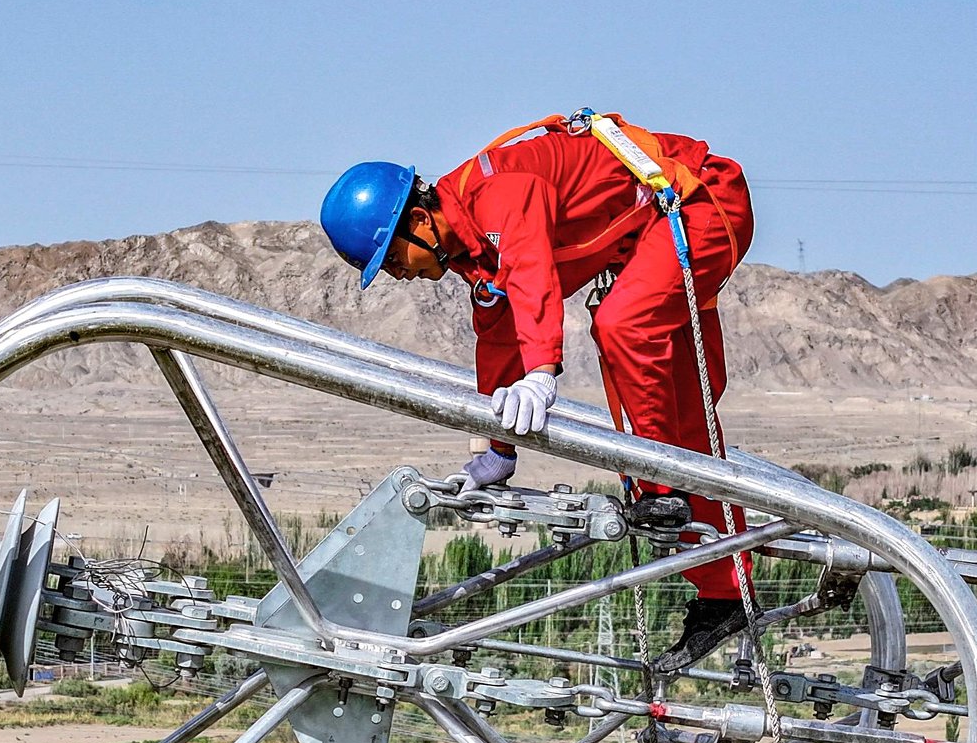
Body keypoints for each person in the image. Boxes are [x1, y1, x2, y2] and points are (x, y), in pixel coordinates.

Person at [319, 115, 756, 671]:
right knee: (664, 402)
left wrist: (543, 371)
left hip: (696, 199)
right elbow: (498, 332)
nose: (400, 276)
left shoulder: (498, 193)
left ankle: (665, 492)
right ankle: (724, 589)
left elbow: (530, 273)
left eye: (395, 258)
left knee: (626, 327)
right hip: (648, 232)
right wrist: (495, 451)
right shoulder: (468, 250)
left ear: (420, 217)